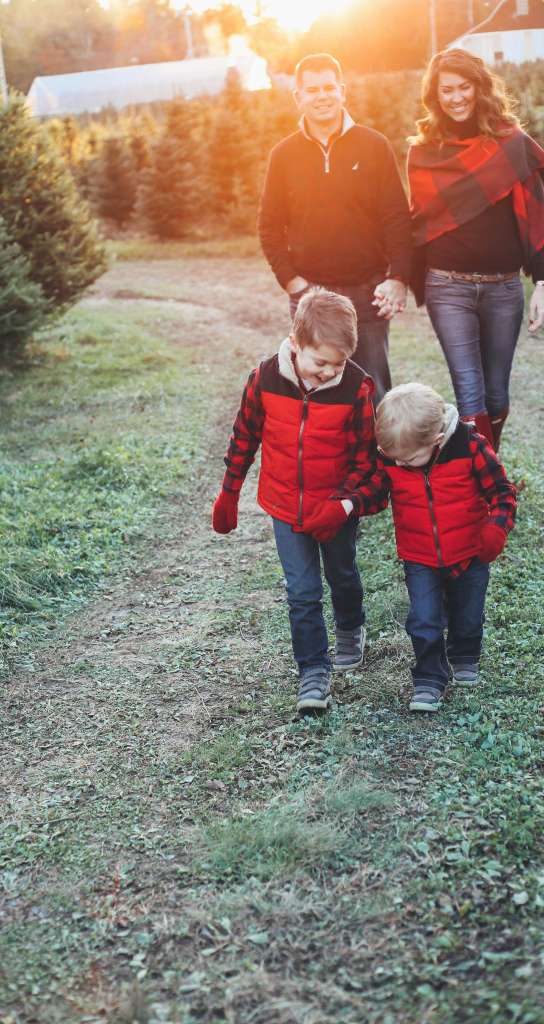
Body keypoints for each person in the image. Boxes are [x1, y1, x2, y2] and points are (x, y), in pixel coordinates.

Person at [212, 287, 376, 714]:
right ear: (296, 342)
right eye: (320, 362)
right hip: (285, 506)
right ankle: (314, 672)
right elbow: (244, 437)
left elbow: (366, 461)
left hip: (334, 509)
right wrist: (230, 491)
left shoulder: (356, 388)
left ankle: (350, 626)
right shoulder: (264, 378)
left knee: (341, 574)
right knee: (301, 591)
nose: (328, 372)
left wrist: (344, 504)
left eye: (337, 364)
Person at [307, 383, 517, 712]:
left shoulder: (470, 446)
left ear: (436, 439)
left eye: (409, 459)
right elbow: (376, 491)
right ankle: (429, 678)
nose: (401, 464)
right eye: (395, 458)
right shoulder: (395, 456)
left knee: (468, 614)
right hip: (419, 556)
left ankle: (463, 653)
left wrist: (496, 527)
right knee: (423, 619)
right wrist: (346, 506)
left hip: (471, 553)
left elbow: (503, 492)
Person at [408, 47, 544, 452]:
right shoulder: (424, 152)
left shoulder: (512, 145)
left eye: (464, 87)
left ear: (480, 87)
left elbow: (538, 216)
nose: (456, 97)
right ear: (435, 95)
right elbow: (416, 222)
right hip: (448, 287)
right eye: (446, 89)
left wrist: (542, 281)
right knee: (470, 394)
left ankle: (488, 468)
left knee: (498, 395)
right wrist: (399, 275)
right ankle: (483, 485)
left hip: (504, 289)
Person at [258, 52, 412, 406]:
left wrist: (399, 276)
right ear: (299, 97)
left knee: (373, 394)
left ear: (343, 90)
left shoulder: (374, 145)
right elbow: (268, 226)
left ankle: (375, 463)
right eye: (312, 90)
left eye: (329, 87)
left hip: (368, 289)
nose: (322, 96)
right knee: (317, 393)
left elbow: (396, 217)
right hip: (311, 295)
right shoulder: (282, 155)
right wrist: (293, 284)